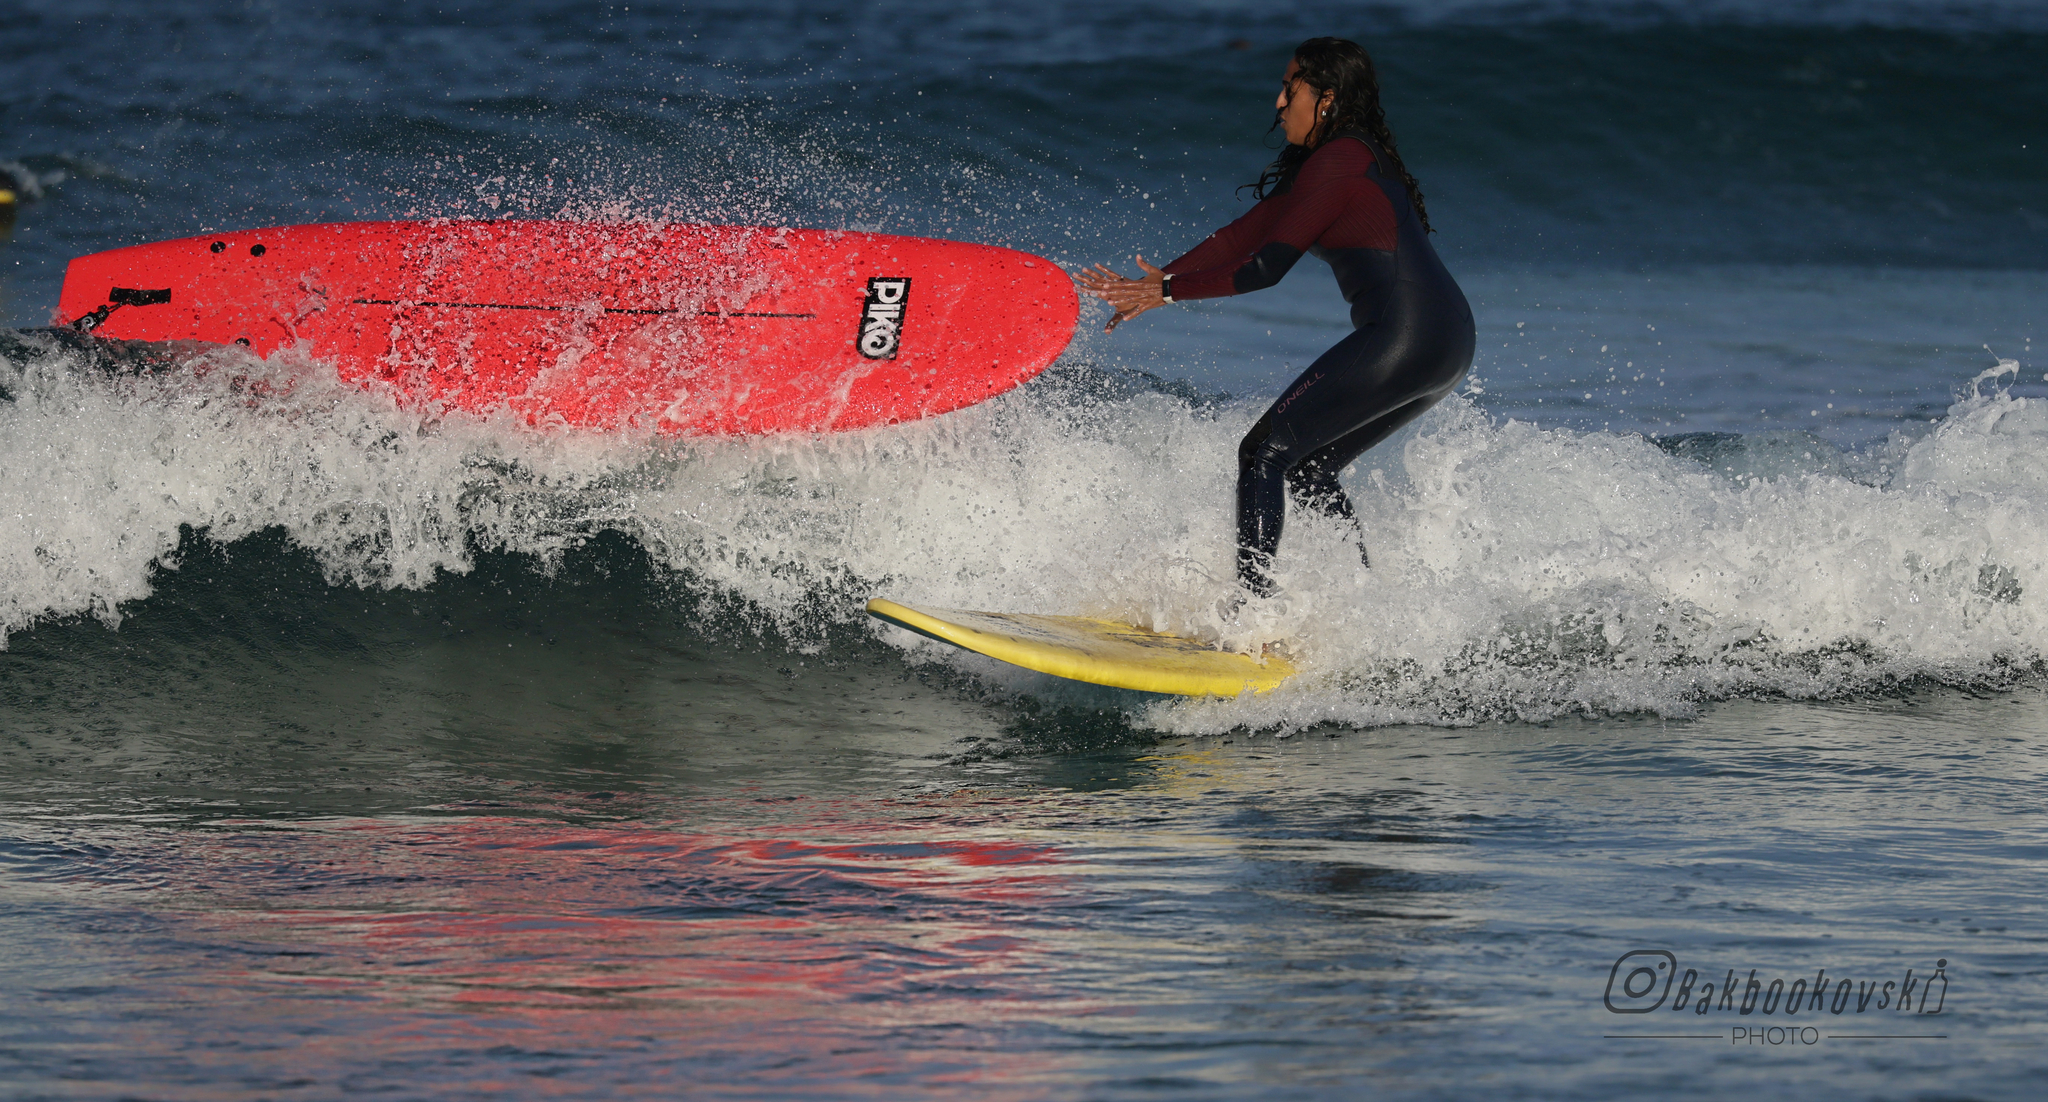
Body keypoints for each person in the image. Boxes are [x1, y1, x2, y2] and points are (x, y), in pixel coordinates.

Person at [1077, 37, 1475, 598]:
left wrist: (1167, 292)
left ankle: (1252, 613)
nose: (1279, 102)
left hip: (1406, 334)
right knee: (1308, 469)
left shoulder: (1337, 161)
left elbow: (1264, 268)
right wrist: (1154, 283)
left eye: (1292, 88)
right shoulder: (1341, 158)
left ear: (1328, 99)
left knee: (1262, 452)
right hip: (1446, 341)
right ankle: (1365, 609)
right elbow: (1241, 237)